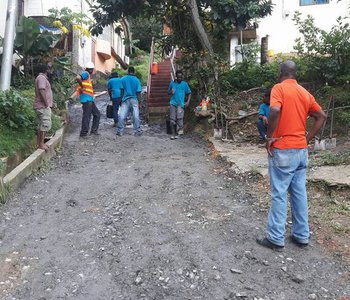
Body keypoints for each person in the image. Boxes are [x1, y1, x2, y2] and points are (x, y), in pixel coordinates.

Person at [256, 60, 326, 251]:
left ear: (281, 73)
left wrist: (269, 137)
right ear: (295, 74)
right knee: (299, 193)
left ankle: (275, 238)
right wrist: (307, 138)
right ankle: (301, 235)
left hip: (283, 148)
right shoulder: (304, 93)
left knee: (279, 193)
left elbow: (275, 109)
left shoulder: (278, 89)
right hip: (301, 151)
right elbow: (322, 116)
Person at [76, 61, 100, 137]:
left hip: (89, 99)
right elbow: (78, 77)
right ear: (91, 69)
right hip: (86, 99)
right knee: (87, 116)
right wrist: (82, 87)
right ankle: (83, 133)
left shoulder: (87, 76)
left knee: (97, 114)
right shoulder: (86, 73)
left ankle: (93, 131)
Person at [116, 66, 142, 136]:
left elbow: (122, 90)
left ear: (128, 71)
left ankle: (120, 131)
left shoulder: (123, 79)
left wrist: (120, 100)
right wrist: (140, 102)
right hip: (134, 99)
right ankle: (137, 131)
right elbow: (138, 92)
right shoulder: (137, 80)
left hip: (125, 99)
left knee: (122, 115)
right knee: (136, 116)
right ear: (134, 72)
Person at [34, 63, 54, 151]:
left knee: (41, 125)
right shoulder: (41, 78)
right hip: (42, 106)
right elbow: (42, 90)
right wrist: (46, 103)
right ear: (45, 70)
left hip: (42, 105)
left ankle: (39, 143)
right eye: (48, 68)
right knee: (45, 124)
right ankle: (41, 144)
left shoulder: (41, 78)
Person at [168, 70, 191, 140]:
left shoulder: (184, 84)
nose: (180, 79)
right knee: (172, 119)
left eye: (181, 77)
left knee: (179, 119)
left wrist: (187, 102)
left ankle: (178, 132)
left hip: (180, 104)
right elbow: (168, 92)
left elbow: (189, 93)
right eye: (178, 77)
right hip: (173, 103)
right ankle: (173, 134)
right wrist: (171, 92)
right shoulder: (172, 83)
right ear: (176, 77)